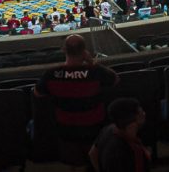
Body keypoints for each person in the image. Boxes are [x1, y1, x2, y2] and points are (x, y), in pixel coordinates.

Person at [33, 34, 117, 165]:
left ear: (64, 50)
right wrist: (92, 63)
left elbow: (37, 93)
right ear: (84, 51)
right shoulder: (95, 72)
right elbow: (115, 79)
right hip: (95, 129)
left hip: (66, 130)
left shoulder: (52, 74)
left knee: (73, 160)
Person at [91, 96, 151, 172]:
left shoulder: (108, 129)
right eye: (141, 113)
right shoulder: (134, 153)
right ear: (132, 123)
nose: (144, 114)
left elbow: (92, 153)